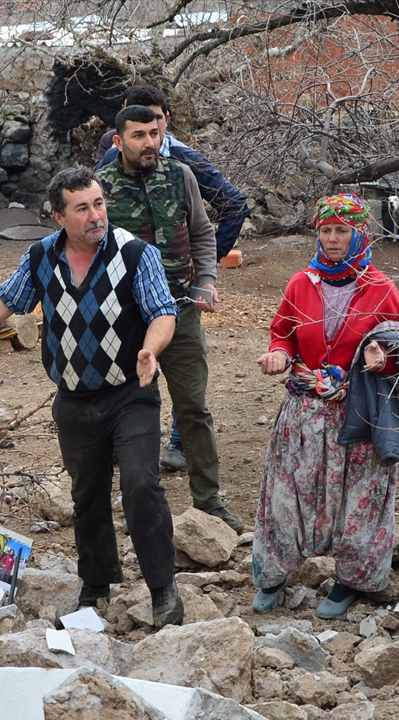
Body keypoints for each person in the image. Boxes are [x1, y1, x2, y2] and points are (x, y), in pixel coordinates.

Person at [0, 167, 184, 627]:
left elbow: (163, 312)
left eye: (99, 204)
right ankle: (95, 585)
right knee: (87, 493)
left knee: (141, 484)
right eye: (82, 208)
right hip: (74, 398)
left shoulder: (137, 255)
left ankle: (164, 590)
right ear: (59, 216)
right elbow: (6, 301)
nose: (96, 215)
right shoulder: (42, 256)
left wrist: (150, 349)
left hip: (130, 393)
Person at [251, 194, 399, 618]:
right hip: (304, 413)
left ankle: (352, 580)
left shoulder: (379, 287)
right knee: (287, 495)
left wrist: (382, 356)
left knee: (360, 500)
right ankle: (274, 573)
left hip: (360, 414)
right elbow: (283, 332)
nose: (333, 239)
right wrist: (278, 353)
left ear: (359, 234)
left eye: (342, 231)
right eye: (325, 230)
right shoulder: (301, 283)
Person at [96, 105, 244, 533]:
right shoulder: (100, 188)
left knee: (193, 408)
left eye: (155, 133)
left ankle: (209, 503)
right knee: (123, 411)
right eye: (139, 135)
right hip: (123, 320)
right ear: (118, 140)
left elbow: (200, 231)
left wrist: (207, 279)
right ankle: (130, 505)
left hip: (180, 312)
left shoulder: (181, 176)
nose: (149, 142)